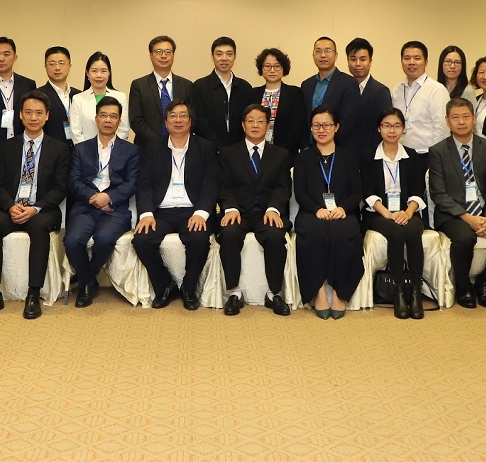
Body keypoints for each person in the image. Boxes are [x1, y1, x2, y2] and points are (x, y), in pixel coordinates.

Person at [0, 91, 70, 320]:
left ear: (47, 116)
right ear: (20, 115)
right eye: (28, 112)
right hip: (11, 206)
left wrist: (35, 208)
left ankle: (33, 294)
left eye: (39, 113)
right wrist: (10, 206)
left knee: (39, 228)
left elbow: (60, 188)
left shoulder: (59, 148)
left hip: (43, 209)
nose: (33, 117)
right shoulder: (6, 147)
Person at [427, 98, 486, 309]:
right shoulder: (438, 151)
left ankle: (485, 283)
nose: (461, 122)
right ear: (447, 121)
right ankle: (463, 288)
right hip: (454, 214)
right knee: (464, 238)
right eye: (455, 117)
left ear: (474, 118)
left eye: (465, 116)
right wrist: (469, 218)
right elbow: (439, 194)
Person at [132, 100, 218, 310]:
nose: (178, 120)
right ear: (166, 122)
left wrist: (201, 213)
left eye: (183, 115)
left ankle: (189, 288)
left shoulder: (205, 148)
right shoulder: (153, 149)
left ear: (190, 121)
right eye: (173, 116)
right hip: (161, 212)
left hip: (192, 211)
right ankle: (165, 286)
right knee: (141, 240)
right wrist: (146, 214)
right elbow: (144, 186)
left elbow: (211, 185)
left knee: (199, 239)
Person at [216, 104, 293, 317]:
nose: (255, 125)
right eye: (250, 121)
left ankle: (273, 293)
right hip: (238, 211)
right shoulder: (228, 153)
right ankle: (234, 292)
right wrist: (230, 208)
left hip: (267, 212)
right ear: (243, 125)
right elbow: (224, 186)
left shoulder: (281, 154)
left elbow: (283, 186)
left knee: (276, 236)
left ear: (268, 126)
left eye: (260, 121)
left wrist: (274, 209)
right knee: (229, 234)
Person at [65, 96, 139, 307]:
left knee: (105, 239)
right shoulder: (81, 149)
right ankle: (89, 282)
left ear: (119, 121)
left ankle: (84, 280)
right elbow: (74, 180)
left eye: (113, 116)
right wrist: (93, 197)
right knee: (72, 241)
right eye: (104, 115)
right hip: (85, 207)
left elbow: (132, 183)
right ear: (96, 118)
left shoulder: (131, 150)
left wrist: (109, 197)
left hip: (115, 209)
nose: (108, 120)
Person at [294, 105, 364, 319]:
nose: (321, 130)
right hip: (311, 212)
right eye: (316, 125)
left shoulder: (348, 157)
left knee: (343, 233)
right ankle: (318, 292)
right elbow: (300, 193)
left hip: (343, 212)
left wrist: (343, 208)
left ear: (336, 127)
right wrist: (317, 209)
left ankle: (341, 294)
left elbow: (356, 192)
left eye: (326, 125)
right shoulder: (303, 158)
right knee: (313, 232)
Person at [360, 107, 426, 320]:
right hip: (378, 212)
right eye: (387, 125)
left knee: (413, 232)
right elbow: (368, 192)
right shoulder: (368, 156)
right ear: (379, 128)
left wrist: (407, 212)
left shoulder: (412, 156)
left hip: (407, 211)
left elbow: (417, 190)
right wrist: (388, 214)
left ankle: (415, 292)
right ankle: (398, 291)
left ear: (403, 129)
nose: (392, 130)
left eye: (397, 126)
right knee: (396, 233)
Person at [392, 40, 450, 206]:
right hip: (402, 156)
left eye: (417, 58)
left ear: (426, 61)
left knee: (428, 203)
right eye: (407, 58)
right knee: (406, 202)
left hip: (427, 156)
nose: (411, 62)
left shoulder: (436, 89)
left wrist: (436, 160)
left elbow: (442, 129)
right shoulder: (397, 90)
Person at [128, 35, 194, 147]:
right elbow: (136, 120)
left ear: (173, 55)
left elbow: (192, 118)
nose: (163, 56)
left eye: (168, 52)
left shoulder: (186, 85)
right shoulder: (139, 85)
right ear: (150, 55)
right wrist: (159, 144)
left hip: (181, 147)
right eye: (158, 52)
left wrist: (176, 141)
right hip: (147, 147)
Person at [299, 37, 361, 150]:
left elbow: (348, 121)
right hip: (310, 149)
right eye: (318, 51)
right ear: (313, 55)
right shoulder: (306, 85)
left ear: (336, 55)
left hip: (337, 149)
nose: (323, 55)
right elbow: (303, 120)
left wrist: (328, 145)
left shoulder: (348, 83)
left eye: (328, 51)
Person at [192, 36, 254, 149]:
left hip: (240, 151)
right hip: (208, 149)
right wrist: (218, 147)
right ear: (212, 57)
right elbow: (200, 122)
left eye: (229, 54)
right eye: (219, 54)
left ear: (235, 56)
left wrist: (239, 147)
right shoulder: (200, 86)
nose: (224, 58)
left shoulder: (245, 87)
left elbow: (249, 120)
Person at [250, 48, 306, 158]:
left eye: (277, 66)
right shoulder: (252, 94)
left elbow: (297, 127)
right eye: (267, 66)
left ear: (284, 68)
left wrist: (281, 154)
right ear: (261, 68)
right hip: (257, 154)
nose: (272, 70)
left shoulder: (295, 93)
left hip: (286, 154)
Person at [68, 52, 130, 144]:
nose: (99, 75)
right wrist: (88, 150)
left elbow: (123, 130)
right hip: (86, 151)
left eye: (103, 71)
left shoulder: (120, 97)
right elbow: (75, 132)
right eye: (94, 71)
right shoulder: (78, 99)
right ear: (87, 73)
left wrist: (109, 148)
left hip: (116, 150)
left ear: (109, 73)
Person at [346, 37, 393, 152]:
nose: (358, 64)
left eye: (363, 59)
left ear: (370, 61)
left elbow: (384, 128)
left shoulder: (380, 91)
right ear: (348, 61)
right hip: (345, 154)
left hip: (370, 154)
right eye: (353, 59)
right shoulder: (343, 88)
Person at [37, 46, 80, 146]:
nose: (57, 68)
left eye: (62, 63)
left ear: (69, 66)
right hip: (51, 150)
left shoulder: (79, 95)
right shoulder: (38, 96)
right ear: (45, 67)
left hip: (77, 151)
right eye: (52, 64)